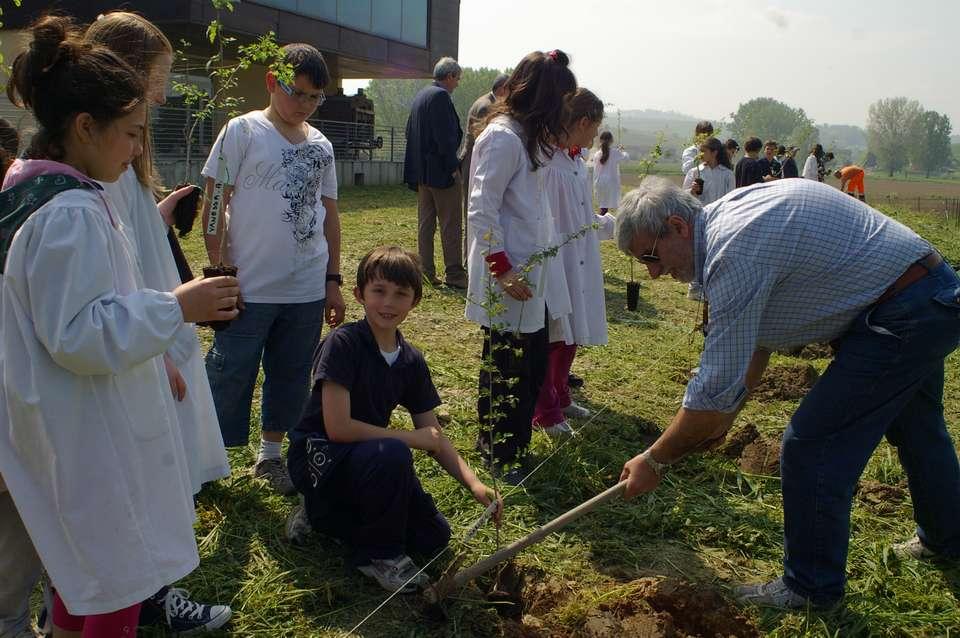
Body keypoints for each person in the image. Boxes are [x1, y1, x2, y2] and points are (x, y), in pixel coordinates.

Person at [615, 176, 960, 610]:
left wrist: (656, 460)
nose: (654, 272)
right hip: (925, 293)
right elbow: (753, 344)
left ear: (678, 227)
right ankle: (947, 538)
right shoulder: (723, 222)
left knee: (811, 444)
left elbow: (713, 390)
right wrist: (727, 417)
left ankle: (811, 588)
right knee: (917, 428)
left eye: (651, 256)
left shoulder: (732, 250)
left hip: (903, 311)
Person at [0, 15, 238, 636]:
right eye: (131, 134)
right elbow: (78, 332)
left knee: (85, 578)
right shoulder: (71, 213)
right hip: (84, 429)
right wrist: (177, 308)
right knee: (111, 578)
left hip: (67, 416)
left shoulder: (39, 192)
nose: (137, 149)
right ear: (85, 128)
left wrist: (153, 348)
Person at [85, 11, 233, 633]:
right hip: (142, 343)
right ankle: (146, 598)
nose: (166, 93)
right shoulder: (97, 163)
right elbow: (110, 275)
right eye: (159, 77)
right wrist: (161, 348)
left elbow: (133, 240)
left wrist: (161, 214)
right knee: (140, 478)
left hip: (150, 334)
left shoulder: (118, 150)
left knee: (148, 472)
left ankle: (128, 594)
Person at [286, 246, 502, 593]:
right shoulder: (343, 343)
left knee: (434, 536)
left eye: (401, 294)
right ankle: (377, 556)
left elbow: (432, 432)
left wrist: (475, 484)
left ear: (414, 302)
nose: (388, 303)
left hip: (368, 460)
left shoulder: (410, 360)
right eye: (379, 291)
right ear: (359, 294)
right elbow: (338, 429)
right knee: (392, 453)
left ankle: (326, 518)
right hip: (319, 458)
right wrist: (410, 438)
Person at [200, 43, 345, 496]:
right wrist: (220, 270)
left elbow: (331, 214)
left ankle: (270, 455)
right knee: (230, 371)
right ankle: (208, 459)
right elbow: (213, 204)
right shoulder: (241, 132)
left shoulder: (321, 145)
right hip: (248, 286)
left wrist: (333, 280)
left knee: (291, 372)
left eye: (313, 98)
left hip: (304, 289)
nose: (303, 104)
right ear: (271, 82)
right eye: (295, 92)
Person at [465, 49, 577, 477]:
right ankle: (499, 451)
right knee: (508, 366)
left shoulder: (527, 137)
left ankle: (511, 444)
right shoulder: (502, 137)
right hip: (509, 275)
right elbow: (482, 209)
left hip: (529, 272)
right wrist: (502, 268)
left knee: (528, 363)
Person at [532, 88, 612, 437]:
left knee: (571, 332)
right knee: (554, 333)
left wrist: (608, 225)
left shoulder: (576, 162)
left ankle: (562, 395)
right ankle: (545, 411)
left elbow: (581, 213)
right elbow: (548, 218)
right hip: (558, 256)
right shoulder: (548, 164)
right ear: (581, 122)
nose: (595, 135)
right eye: (594, 127)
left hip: (579, 253)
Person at [403, 57, 467, 289]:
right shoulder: (440, 97)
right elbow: (445, 139)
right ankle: (455, 275)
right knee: (451, 225)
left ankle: (425, 271)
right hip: (441, 173)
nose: (457, 83)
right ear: (449, 76)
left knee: (426, 224)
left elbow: (409, 131)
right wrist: (453, 167)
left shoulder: (421, 95)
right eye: (457, 78)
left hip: (423, 173)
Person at [459, 73, 510, 224]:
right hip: (475, 163)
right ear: (502, 89)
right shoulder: (487, 106)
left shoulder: (485, 101)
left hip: (475, 161)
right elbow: (485, 141)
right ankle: (470, 248)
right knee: (475, 215)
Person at [681, 137, 735, 205]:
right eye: (700, 151)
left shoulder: (727, 174)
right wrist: (692, 190)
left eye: (703, 151)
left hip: (720, 213)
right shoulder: (694, 172)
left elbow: (731, 198)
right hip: (700, 213)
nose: (700, 154)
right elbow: (683, 196)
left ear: (714, 153)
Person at [592, 131, 629, 213]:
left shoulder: (597, 154)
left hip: (600, 182)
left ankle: (601, 223)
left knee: (603, 207)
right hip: (610, 182)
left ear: (600, 140)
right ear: (611, 140)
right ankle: (604, 223)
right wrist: (622, 151)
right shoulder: (615, 152)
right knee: (607, 207)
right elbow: (626, 158)